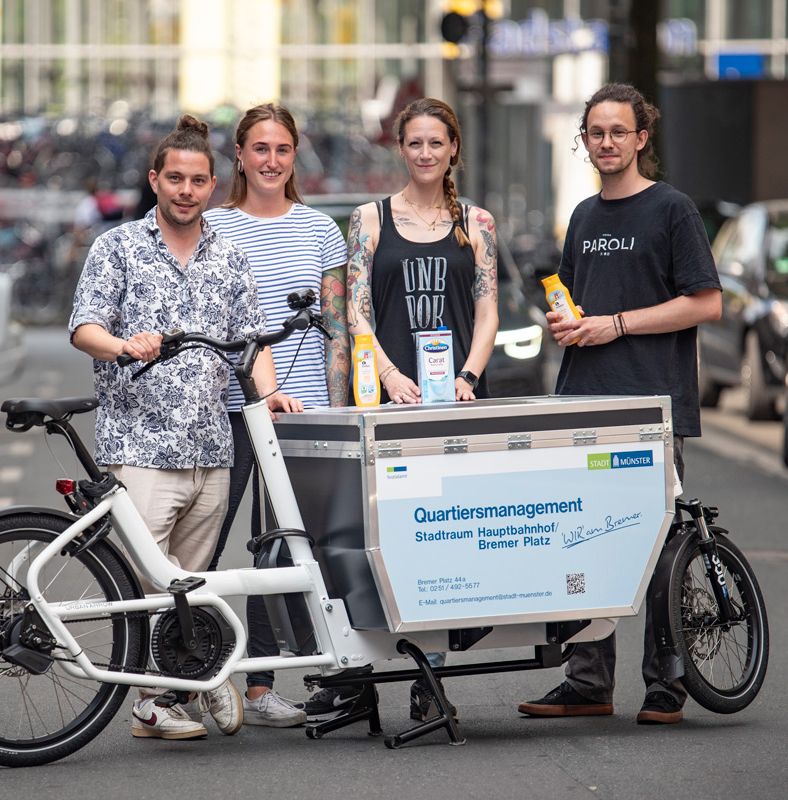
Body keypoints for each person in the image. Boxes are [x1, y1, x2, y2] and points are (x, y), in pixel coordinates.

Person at [69, 114, 301, 741]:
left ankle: (165, 700)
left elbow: (250, 343)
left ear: (211, 183)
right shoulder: (117, 247)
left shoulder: (228, 256)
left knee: (186, 588)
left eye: (198, 180)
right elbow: (83, 327)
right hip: (139, 448)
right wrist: (121, 345)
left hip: (210, 450)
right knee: (152, 584)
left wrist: (273, 394)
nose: (186, 190)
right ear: (155, 180)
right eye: (175, 178)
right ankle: (161, 698)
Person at [517, 83, 721, 726]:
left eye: (618, 132)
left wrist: (618, 325)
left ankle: (666, 684)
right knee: (580, 543)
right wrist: (569, 325)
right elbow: (582, 307)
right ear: (586, 141)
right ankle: (588, 683)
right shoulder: (582, 216)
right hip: (583, 404)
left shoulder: (673, 210)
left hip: (652, 408)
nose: (606, 143)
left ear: (641, 138)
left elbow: (706, 302)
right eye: (595, 133)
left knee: (659, 549)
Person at [344, 97, 499, 721]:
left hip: (457, 403)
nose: (426, 153)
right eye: (415, 144)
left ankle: (428, 674)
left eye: (437, 143)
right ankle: (363, 676)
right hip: (392, 405)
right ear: (400, 149)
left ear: (453, 148)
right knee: (387, 540)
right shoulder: (369, 219)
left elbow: (487, 311)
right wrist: (388, 374)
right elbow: (355, 310)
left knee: (450, 543)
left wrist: (468, 375)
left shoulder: (478, 223)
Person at [202, 103, 348, 727]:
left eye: (282, 149)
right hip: (225, 411)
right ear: (239, 155)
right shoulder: (209, 226)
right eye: (259, 149)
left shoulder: (321, 230)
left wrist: (341, 405)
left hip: (302, 412)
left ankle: (259, 687)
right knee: (202, 548)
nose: (270, 160)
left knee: (282, 554)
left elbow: (338, 328)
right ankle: (189, 678)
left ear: (296, 155)